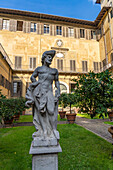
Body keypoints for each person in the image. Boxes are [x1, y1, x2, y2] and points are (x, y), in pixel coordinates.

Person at [26, 50, 60, 139]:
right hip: (39, 93)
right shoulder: (39, 69)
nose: (50, 59)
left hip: (49, 92)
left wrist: (58, 91)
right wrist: (36, 84)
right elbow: (32, 76)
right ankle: (44, 130)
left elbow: (56, 81)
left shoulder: (54, 71)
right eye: (49, 57)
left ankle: (54, 130)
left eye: (51, 58)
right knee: (41, 112)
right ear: (44, 58)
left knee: (51, 111)